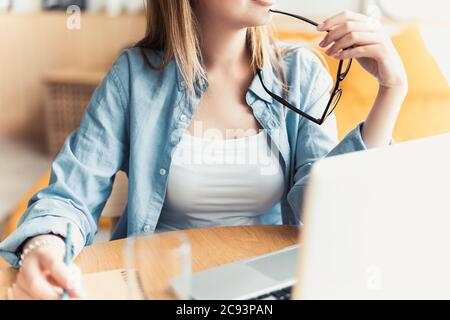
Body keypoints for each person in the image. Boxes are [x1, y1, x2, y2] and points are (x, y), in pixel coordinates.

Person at [0, 0, 407, 299]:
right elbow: (71, 194)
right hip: (157, 284)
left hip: (264, 289)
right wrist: (44, 245)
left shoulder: (300, 74)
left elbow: (323, 212)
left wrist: (391, 91)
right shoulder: (133, 77)